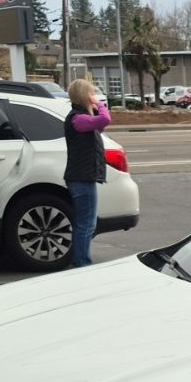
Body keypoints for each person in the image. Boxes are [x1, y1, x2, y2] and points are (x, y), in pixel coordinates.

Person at [63, 78, 111, 268]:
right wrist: (99, 104)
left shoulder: (81, 117)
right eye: (91, 92)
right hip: (81, 178)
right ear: (84, 95)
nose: (94, 96)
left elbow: (100, 125)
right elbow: (105, 119)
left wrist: (95, 106)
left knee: (86, 223)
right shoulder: (78, 118)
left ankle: (81, 260)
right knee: (86, 225)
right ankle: (82, 263)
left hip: (83, 176)